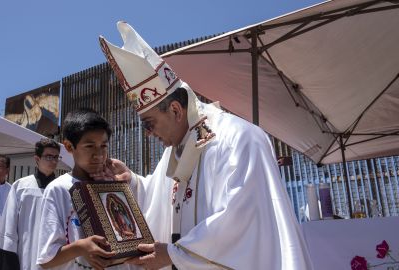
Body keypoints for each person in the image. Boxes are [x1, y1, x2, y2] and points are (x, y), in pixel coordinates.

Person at [98, 22, 313, 269]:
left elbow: (242, 222)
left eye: (149, 124)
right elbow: (160, 200)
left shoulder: (239, 138)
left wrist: (174, 255)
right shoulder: (175, 151)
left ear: (176, 110)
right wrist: (133, 183)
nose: (148, 134)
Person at [36, 109, 131, 270]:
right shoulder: (59, 189)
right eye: (89, 146)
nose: (99, 155)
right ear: (69, 146)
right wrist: (80, 247)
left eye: (103, 146)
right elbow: (46, 260)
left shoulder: (114, 187)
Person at [0, 138, 61, 270]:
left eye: (56, 157)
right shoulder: (21, 186)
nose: (54, 161)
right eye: (49, 156)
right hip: (27, 256)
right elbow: (9, 227)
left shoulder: (63, 189)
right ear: (37, 159)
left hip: (56, 257)